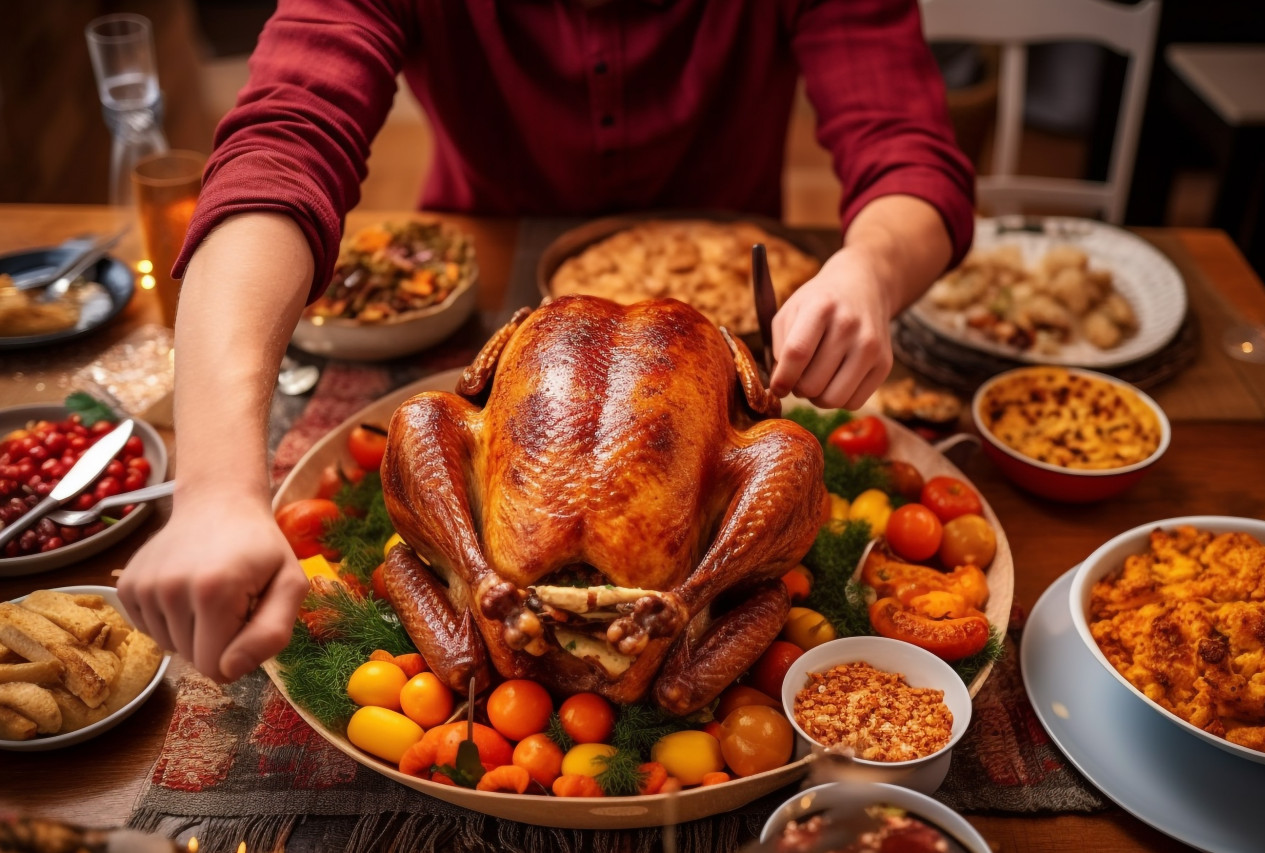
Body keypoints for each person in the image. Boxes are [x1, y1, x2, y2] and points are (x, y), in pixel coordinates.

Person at [118, 0, 974, 683]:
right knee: (423, 419)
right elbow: (282, 143)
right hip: (495, 285)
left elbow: (907, 145)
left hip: (727, 322)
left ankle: (689, 589)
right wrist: (218, 487)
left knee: (789, 451)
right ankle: (492, 576)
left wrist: (871, 267)